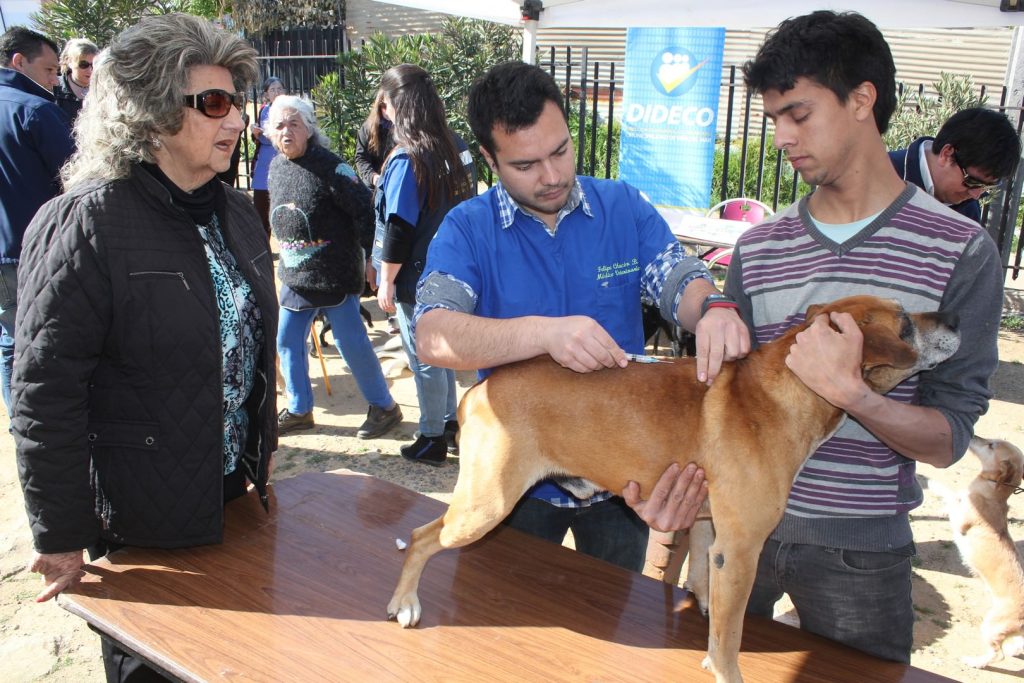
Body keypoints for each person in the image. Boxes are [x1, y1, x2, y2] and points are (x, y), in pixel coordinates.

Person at [715, 10, 1003, 663]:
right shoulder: (758, 250)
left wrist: (853, 393)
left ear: (862, 100)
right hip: (733, 524)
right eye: (774, 120)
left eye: (799, 113)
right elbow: (721, 401)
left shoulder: (960, 251)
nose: (783, 136)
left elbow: (949, 435)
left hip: (860, 549)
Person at [11, 14, 277, 681]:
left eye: (237, 101)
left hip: (232, 502)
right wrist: (62, 533)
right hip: (140, 527)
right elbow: (46, 393)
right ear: (151, 115)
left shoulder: (236, 211)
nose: (236, 120)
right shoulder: (85, 221)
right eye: (213, 103)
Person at [414, 61, 746, 571]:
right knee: (503, 621)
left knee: (611, 620)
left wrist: (713, 307)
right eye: (525, 165)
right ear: (488, 157)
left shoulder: (622, 207)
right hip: (516, 478)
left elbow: (678, 277)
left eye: (560, 151)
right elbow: (434, 336)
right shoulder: (466, 228)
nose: (551, 176)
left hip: (621, 485)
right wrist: (544, 334)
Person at [267, 94, 403, 438]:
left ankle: (385, 406)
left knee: (350, 343)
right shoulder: (276, 167)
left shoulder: (333, 167)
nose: (286, 132)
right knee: (286, 340)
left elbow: (366, 212)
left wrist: (373, 260)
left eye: (294, 124)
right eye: (279, 125)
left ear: (309, 129)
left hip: (335, 274)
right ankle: (299, 410)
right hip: (296, 277)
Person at [370, 64, 475, 466]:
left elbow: (398, 225)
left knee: (425, 357)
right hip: (454, 269)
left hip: (417, 275)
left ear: (398, 105)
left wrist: (386, 280)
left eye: (384, 106)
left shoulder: (408, 158)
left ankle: (431, 435)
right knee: (441, 353)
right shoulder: (455, 145)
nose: (383, 114)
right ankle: (448, 423)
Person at [0, 27, 74, 414]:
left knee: (10, 340)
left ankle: (20, 419)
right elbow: (75, 177)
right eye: (48, 70)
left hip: (7, 249)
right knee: (48, 339)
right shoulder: (34, 110)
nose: (53, 80)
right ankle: (39, 422)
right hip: (35, 249)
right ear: (18, 61)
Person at [889, 106, 1020, 223]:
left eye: (987, 187)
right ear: (946, 154)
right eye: (972, 182)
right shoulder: (882, 175)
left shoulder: (968, 210)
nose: (976, 195)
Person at [249, 76, 284, 237]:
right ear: (266, 94)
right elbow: (258, 138)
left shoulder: (288, 110)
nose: (276, 92)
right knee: (261, 211)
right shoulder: (264, 110)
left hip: (281, 162)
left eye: (279, 89)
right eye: (272, 90)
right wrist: (255, 133)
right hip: (263, 165)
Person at [354, 88, 395, 190]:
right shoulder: (368, 127)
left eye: (389, 106)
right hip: (373, 187)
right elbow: (361, 158)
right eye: (383, 106)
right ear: (378, 106)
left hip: (395, 184)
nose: (386, 110)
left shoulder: (403, 128)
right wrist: (373, 177)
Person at [52, 37, 98, 123]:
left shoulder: (103, 88)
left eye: (94, 64)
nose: (90, 70)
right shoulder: (54, 87)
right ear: (69, 62)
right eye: (83, 64)